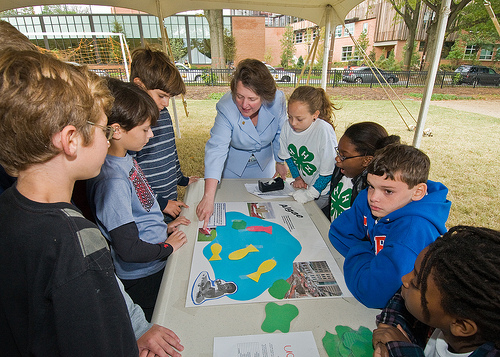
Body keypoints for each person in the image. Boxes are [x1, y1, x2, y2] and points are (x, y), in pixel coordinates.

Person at [0, 49, 182, 356]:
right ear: (71, 139)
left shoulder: (10, 206)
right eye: (103, 130)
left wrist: (138, 327)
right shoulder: (76, 244)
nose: (108, 139)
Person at [87, 78, 190, 322]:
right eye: (145, 129)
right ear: (118, 130)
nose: (151, 134)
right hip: (142, 274)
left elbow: (136, 214)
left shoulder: (126, 157)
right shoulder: (112, 181)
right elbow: (128, 248)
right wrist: (168, 247)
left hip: (153, 256)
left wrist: (162, 228)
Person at [329, 143, 451, 309]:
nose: (373, 198)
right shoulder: (372, 199)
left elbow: (372, 293)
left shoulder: (412, 232)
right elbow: (338, 233)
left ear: (418, 192)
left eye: (388, 191)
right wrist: (372, 258)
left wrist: (364, 253)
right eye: (371, 185)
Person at [373, 226, 500, 357]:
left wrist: (402, 350)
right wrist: (388, 336)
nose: (404, 279)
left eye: (416, 283)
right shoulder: (443, 314)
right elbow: (399, 303)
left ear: (461, 326)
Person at [197, 58, 288, 229]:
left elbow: (279, 133)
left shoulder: (277, 101)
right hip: (232, 169)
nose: (244, 104)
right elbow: (217, 149)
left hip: (264, 167)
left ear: (265, 96)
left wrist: (280, 161)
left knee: (261, 219)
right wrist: (208, 197)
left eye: (252, 99)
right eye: (239, 96)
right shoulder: (226, 107)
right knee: (233, 217)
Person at [130, 46, 198, 222]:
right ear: (139, 85)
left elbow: (170, 151)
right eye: (161, 96)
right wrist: (160, 203)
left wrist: (181, 179)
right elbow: (129, 175)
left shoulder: (164, 114)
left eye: (169, 97)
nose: (166, 103)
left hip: (168, 201)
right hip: (147, 209)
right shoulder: (131, 126)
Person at [324, 122, 400, 221]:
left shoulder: (370, 190)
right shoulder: (341, 170)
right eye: (338, 152)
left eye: (343, 155)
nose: (337, 159)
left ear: (366, 160)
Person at [278, 86, 338, 209]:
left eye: (299, 119)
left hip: (322, 191)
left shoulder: (323, 131)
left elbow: (327, 172)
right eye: (290, 117)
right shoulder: (286, 127)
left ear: (315, 114)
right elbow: (289, 157)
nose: (293, 123)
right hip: (308, 186)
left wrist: (310, 194)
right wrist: (298, 178)